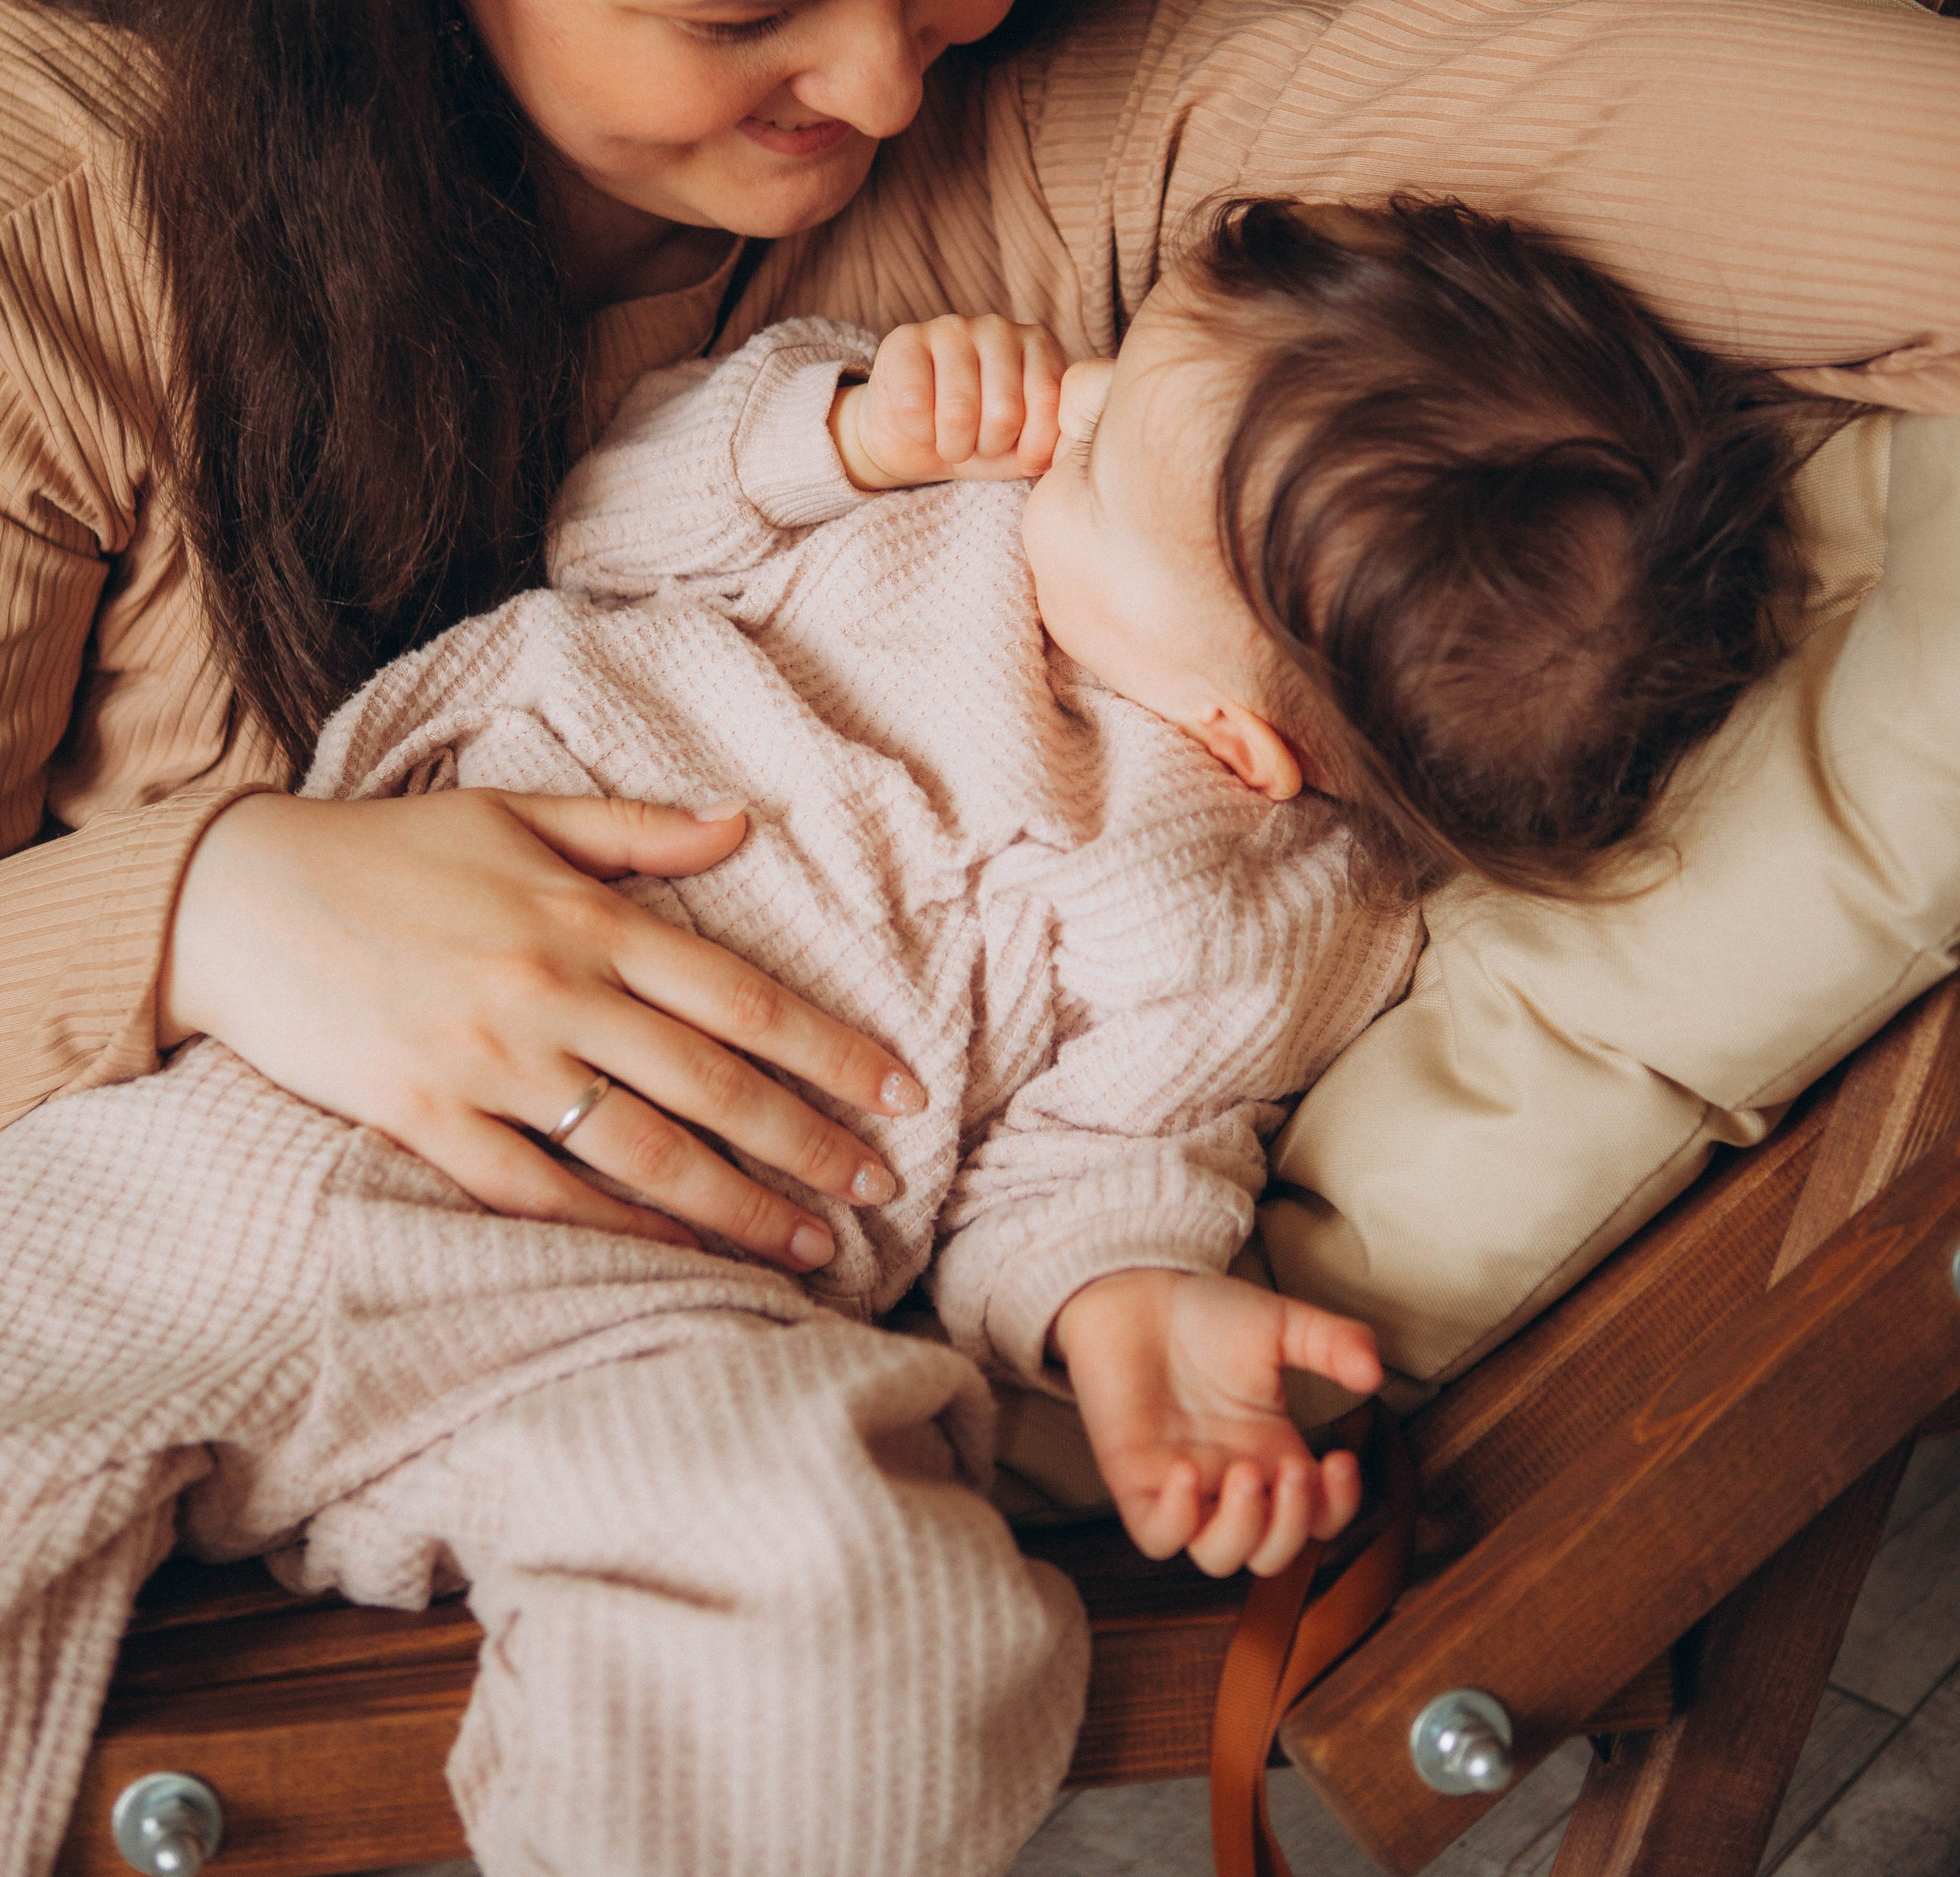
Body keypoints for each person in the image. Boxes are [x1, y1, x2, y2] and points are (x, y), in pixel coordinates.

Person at [2, 0, 1957, 1877]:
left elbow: (1878, 175)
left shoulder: (1127, 160)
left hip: (624, 1345)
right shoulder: (71, 209)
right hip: (136, 1189)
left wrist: (1118, 1305)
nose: (882, 81)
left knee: (898, 1652)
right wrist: (206, 911)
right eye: (738, 23)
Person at [305, 191, 1812, 1568]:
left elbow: (1096, 1157)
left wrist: (1124, 1301)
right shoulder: (929, 494)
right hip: (381, 958)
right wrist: (840, 433)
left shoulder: (1260, 921)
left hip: (649, 1261)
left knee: (855, 1574)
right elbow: (599, 532)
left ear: (1235, 737)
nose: (1065, 405)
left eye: (1098, 458)